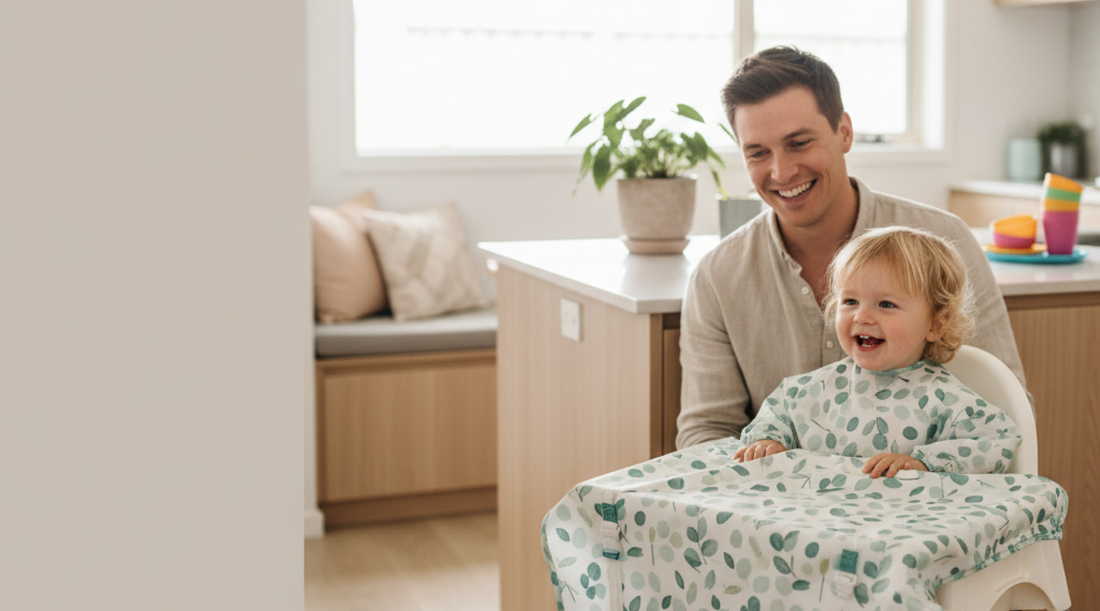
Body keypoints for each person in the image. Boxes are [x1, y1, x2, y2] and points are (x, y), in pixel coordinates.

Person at [676, 46, 1029, 449]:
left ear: (844, 131)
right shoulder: (717, 277)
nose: (781, 171)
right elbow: (706, 434)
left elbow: (1006, 408)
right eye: (758, 152)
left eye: (799, 143)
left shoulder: (943, 240)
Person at [732, 227, 1022, 478]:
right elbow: (777, 414)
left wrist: (925, 463)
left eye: (885, 304)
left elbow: (998, 440)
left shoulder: (942, 399)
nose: (862, 316)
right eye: (850, 301)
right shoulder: (810, 390)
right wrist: (770, 441)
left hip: (897, 532)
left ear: (936, 324)